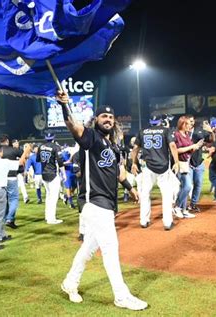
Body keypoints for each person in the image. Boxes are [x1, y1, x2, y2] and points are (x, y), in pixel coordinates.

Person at [57, 91, 147, 311]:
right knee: (110, 247)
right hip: (94, 201)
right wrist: (65, 105)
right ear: (96, 120)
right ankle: (121, 295)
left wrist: (131, 189)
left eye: (110, 117)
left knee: (88, 248)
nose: (108, 119)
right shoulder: (91, 138)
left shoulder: (113, 146)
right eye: (103, 117)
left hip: (106, 203)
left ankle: (70, 282)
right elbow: (74, 127)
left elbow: (119, 173)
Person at [131, 115, 180, 230]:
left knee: (145, 194)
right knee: (167, 194)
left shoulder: (142, 131)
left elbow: (135, 148)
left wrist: (134, 163)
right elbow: (172, 145)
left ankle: (144, 221)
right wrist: (176, 162)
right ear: (160, 121)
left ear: (150, 122)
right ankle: (167, 223)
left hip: (148, 167)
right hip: (163, 167)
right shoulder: (166, 130)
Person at [173, 116, 204, 219]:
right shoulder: (177, 135)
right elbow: (176, 150)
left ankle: (184, 210)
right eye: (188, 124)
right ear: (182, 124)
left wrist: (196, 147)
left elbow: (188, 150)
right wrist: (192, 146)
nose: (190, 125)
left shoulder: (186, 135)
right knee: (187, 186)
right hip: (180, 163)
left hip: (186, 162)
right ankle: (177, 206)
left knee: (184, 187)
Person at [186, 115, 214, 212]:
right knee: (187, 185)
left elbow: (211, 140)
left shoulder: (199, 131)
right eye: (189, 121)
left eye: (192, 121)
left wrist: (211, 131)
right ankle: (182, 205)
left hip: (198, 162)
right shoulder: (181, 133)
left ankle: (193, 204)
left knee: (198, 184)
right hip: (186, 162)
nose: (191, 123)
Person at [37, 133, 66, 224]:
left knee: (48, 196)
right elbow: (60, 161)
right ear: (53, 138)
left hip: (44, 173)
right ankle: (51, 219)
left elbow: (38, 159)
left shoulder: (41, 146)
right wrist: (64, 173)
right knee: (53, 197)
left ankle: (47, 216)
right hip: (52, 173)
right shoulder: (56, 147)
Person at [0, 135, 20, 229]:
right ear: (7, 141)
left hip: (0, 178)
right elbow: (23, 154)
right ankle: (10, 219)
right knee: (14, 199)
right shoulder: (12, 150)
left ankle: (6, 219)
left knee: (5, 200)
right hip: (12, 177)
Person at [13, 139, 30, 204]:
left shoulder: (20, 151)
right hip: (12, 172)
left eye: (17, 143)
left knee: (22, 184)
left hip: (19, 171)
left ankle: (25, 197)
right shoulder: (11, 152)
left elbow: (25, 159)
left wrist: (25, 169)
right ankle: (13, 198)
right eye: (15, 143)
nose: (17, 144)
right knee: (14, 186)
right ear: (13, 144)